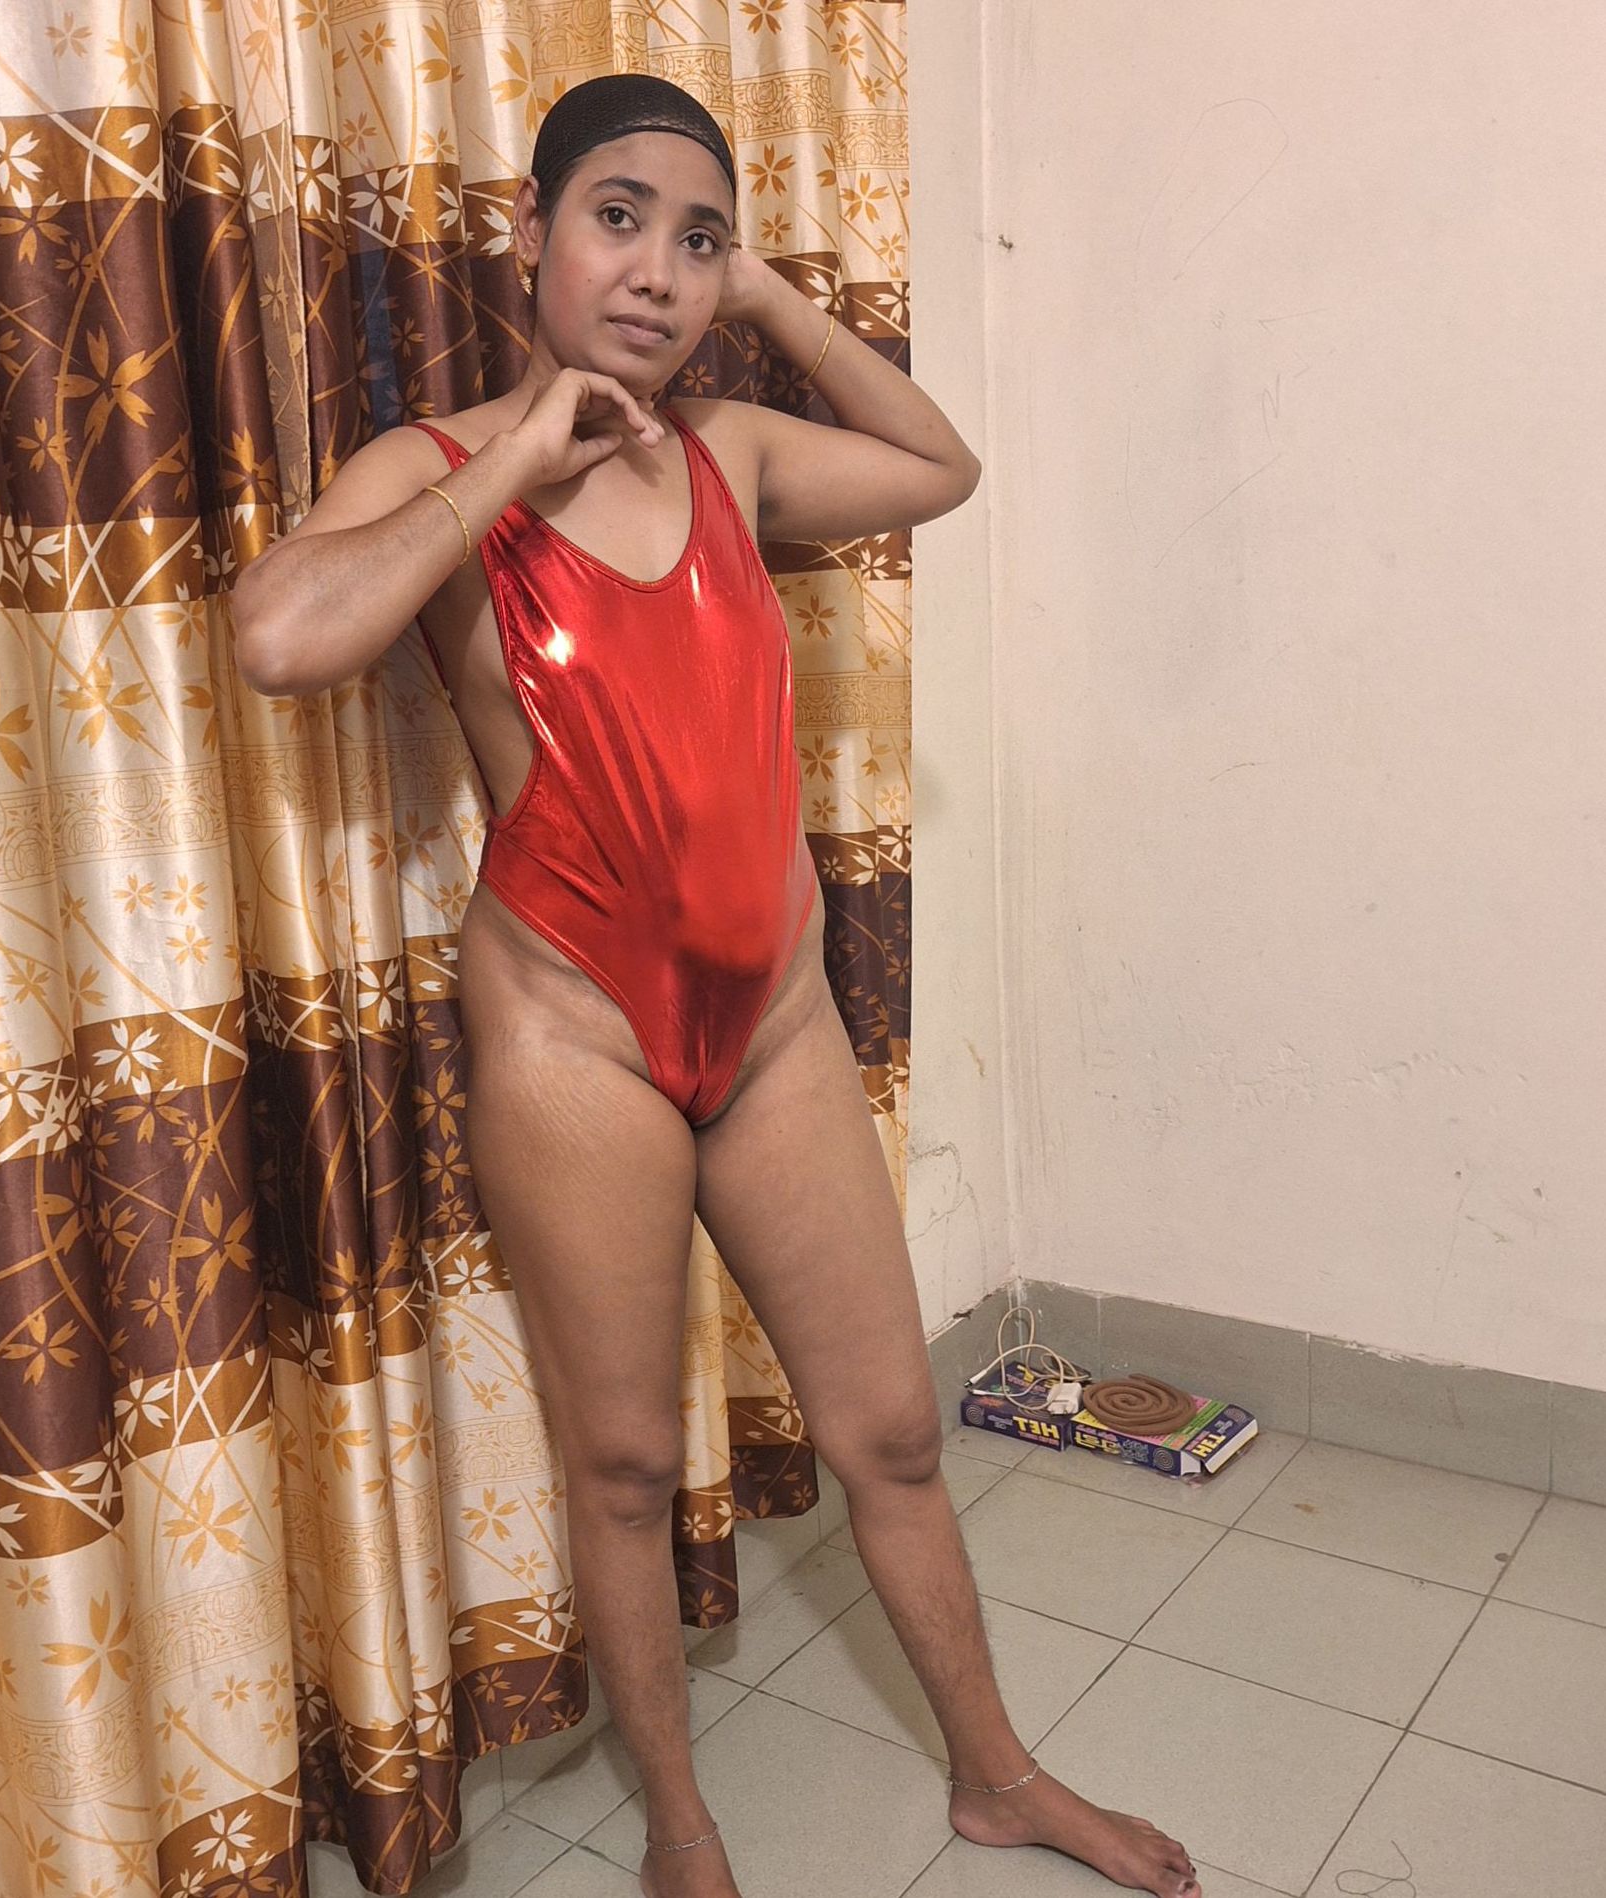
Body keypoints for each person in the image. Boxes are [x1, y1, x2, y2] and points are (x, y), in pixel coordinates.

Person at [232, 71, 1200, 1898]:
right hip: (571, 1037)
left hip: (771, 1029)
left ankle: (997, 1774)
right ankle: (681, 1829)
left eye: (697, 239)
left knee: (889, 1430)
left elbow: (936, 467)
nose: (657, 270)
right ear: (530, 230)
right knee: (618, 1463)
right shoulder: (437, 466)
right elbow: (282, 636)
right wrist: (520, 454)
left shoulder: (732, 453)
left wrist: (769, 297)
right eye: (617, 217)